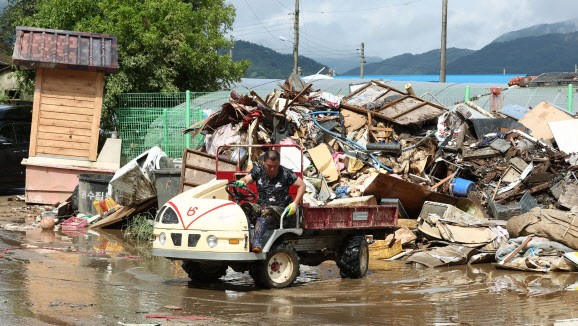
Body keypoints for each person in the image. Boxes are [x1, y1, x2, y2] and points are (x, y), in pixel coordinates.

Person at [235, 149, 305, 253]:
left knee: (266, 211)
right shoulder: (258, 170)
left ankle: (257, 242)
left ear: (279, 163)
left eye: (275, 166)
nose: (272, 169)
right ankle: (246, 239)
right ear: (264, 162)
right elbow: (246, 179)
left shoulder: (285, 173)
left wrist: (295, 203)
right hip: (261, 206)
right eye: (269, 166)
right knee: (245, 207)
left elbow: (302, 185)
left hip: (279, 210)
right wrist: (242, 181)